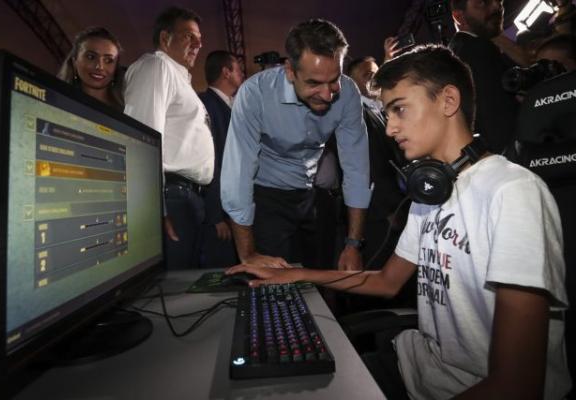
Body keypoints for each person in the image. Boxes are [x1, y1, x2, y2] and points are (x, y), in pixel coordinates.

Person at [226, 44, 572, 399]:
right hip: (414, 368)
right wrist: (297, 275)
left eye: (400, 109)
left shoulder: (512, 191)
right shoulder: (431, 191)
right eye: (388, 113)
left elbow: (517, 385)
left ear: (448, 101)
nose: (390, 128)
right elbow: (387, 281)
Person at [220, 19, 371, 271]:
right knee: (271, 281)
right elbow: (237, 176)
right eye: (314, 83)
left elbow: (357, 168)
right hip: (266, 197)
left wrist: (354, 244)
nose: (327, 95)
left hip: (313, 195)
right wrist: (247, 254)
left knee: (321, 277)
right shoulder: (255, 94)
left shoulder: (348, 93)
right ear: (290, 70)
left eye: (333, 80)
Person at [124, 7, 214, 269]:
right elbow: (142, 138)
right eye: (189, 36)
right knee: (174, 284)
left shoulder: (179, 77)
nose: (198, 44)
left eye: (200, 39)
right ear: (165, 38)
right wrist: (155, 209)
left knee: (186, 280)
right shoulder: (157, 66)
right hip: (172, 197)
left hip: (189, 197)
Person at [347, 56, 406, 268]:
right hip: (379, 213)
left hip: (398, 205)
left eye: (376, 73)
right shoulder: (357, 116)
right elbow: (369, 167)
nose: (375, 79)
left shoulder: (381, 110)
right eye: (368, 76)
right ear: (352, 83)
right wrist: (388, 211)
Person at [449, 0, 526, 154]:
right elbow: (496, 117)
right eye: (482, 3)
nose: (497, 7)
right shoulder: (477, 50)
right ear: (458, 16)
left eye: (499, 1)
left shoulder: (459, 50)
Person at [198, 51, 244, 268]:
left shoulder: (231, 105)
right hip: (219, 210)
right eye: (239, 69)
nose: (242, 74)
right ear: (226, 72)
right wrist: (215, 215)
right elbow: (212, 160)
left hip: (233, 207)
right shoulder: (206, 104)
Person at [57, 26, 124, 110]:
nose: (99, 66)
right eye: (91, 57)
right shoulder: (55, 101)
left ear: (116, 67)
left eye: (108, 60)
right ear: (74, 62)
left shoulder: (127, 111)